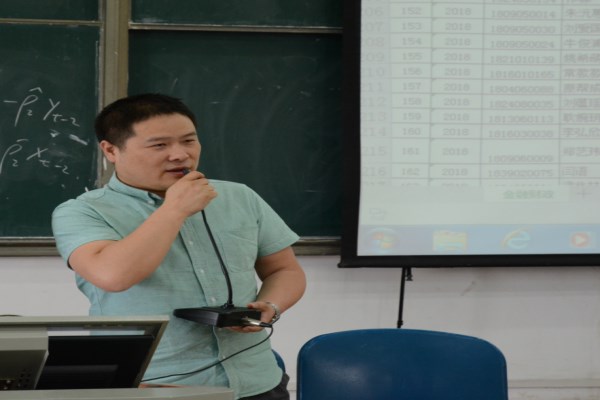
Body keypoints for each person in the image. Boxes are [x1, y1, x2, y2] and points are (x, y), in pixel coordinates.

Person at [51, 93, 306, 400]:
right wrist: (175, 209)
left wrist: (271, 305)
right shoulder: (82, 212)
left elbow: (284, 270)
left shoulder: (239, 197)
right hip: (155, 386)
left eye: (189, 141)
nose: (180, 155)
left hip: (257, 382)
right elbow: (113, 276)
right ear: (111, 150)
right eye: (159, 145)